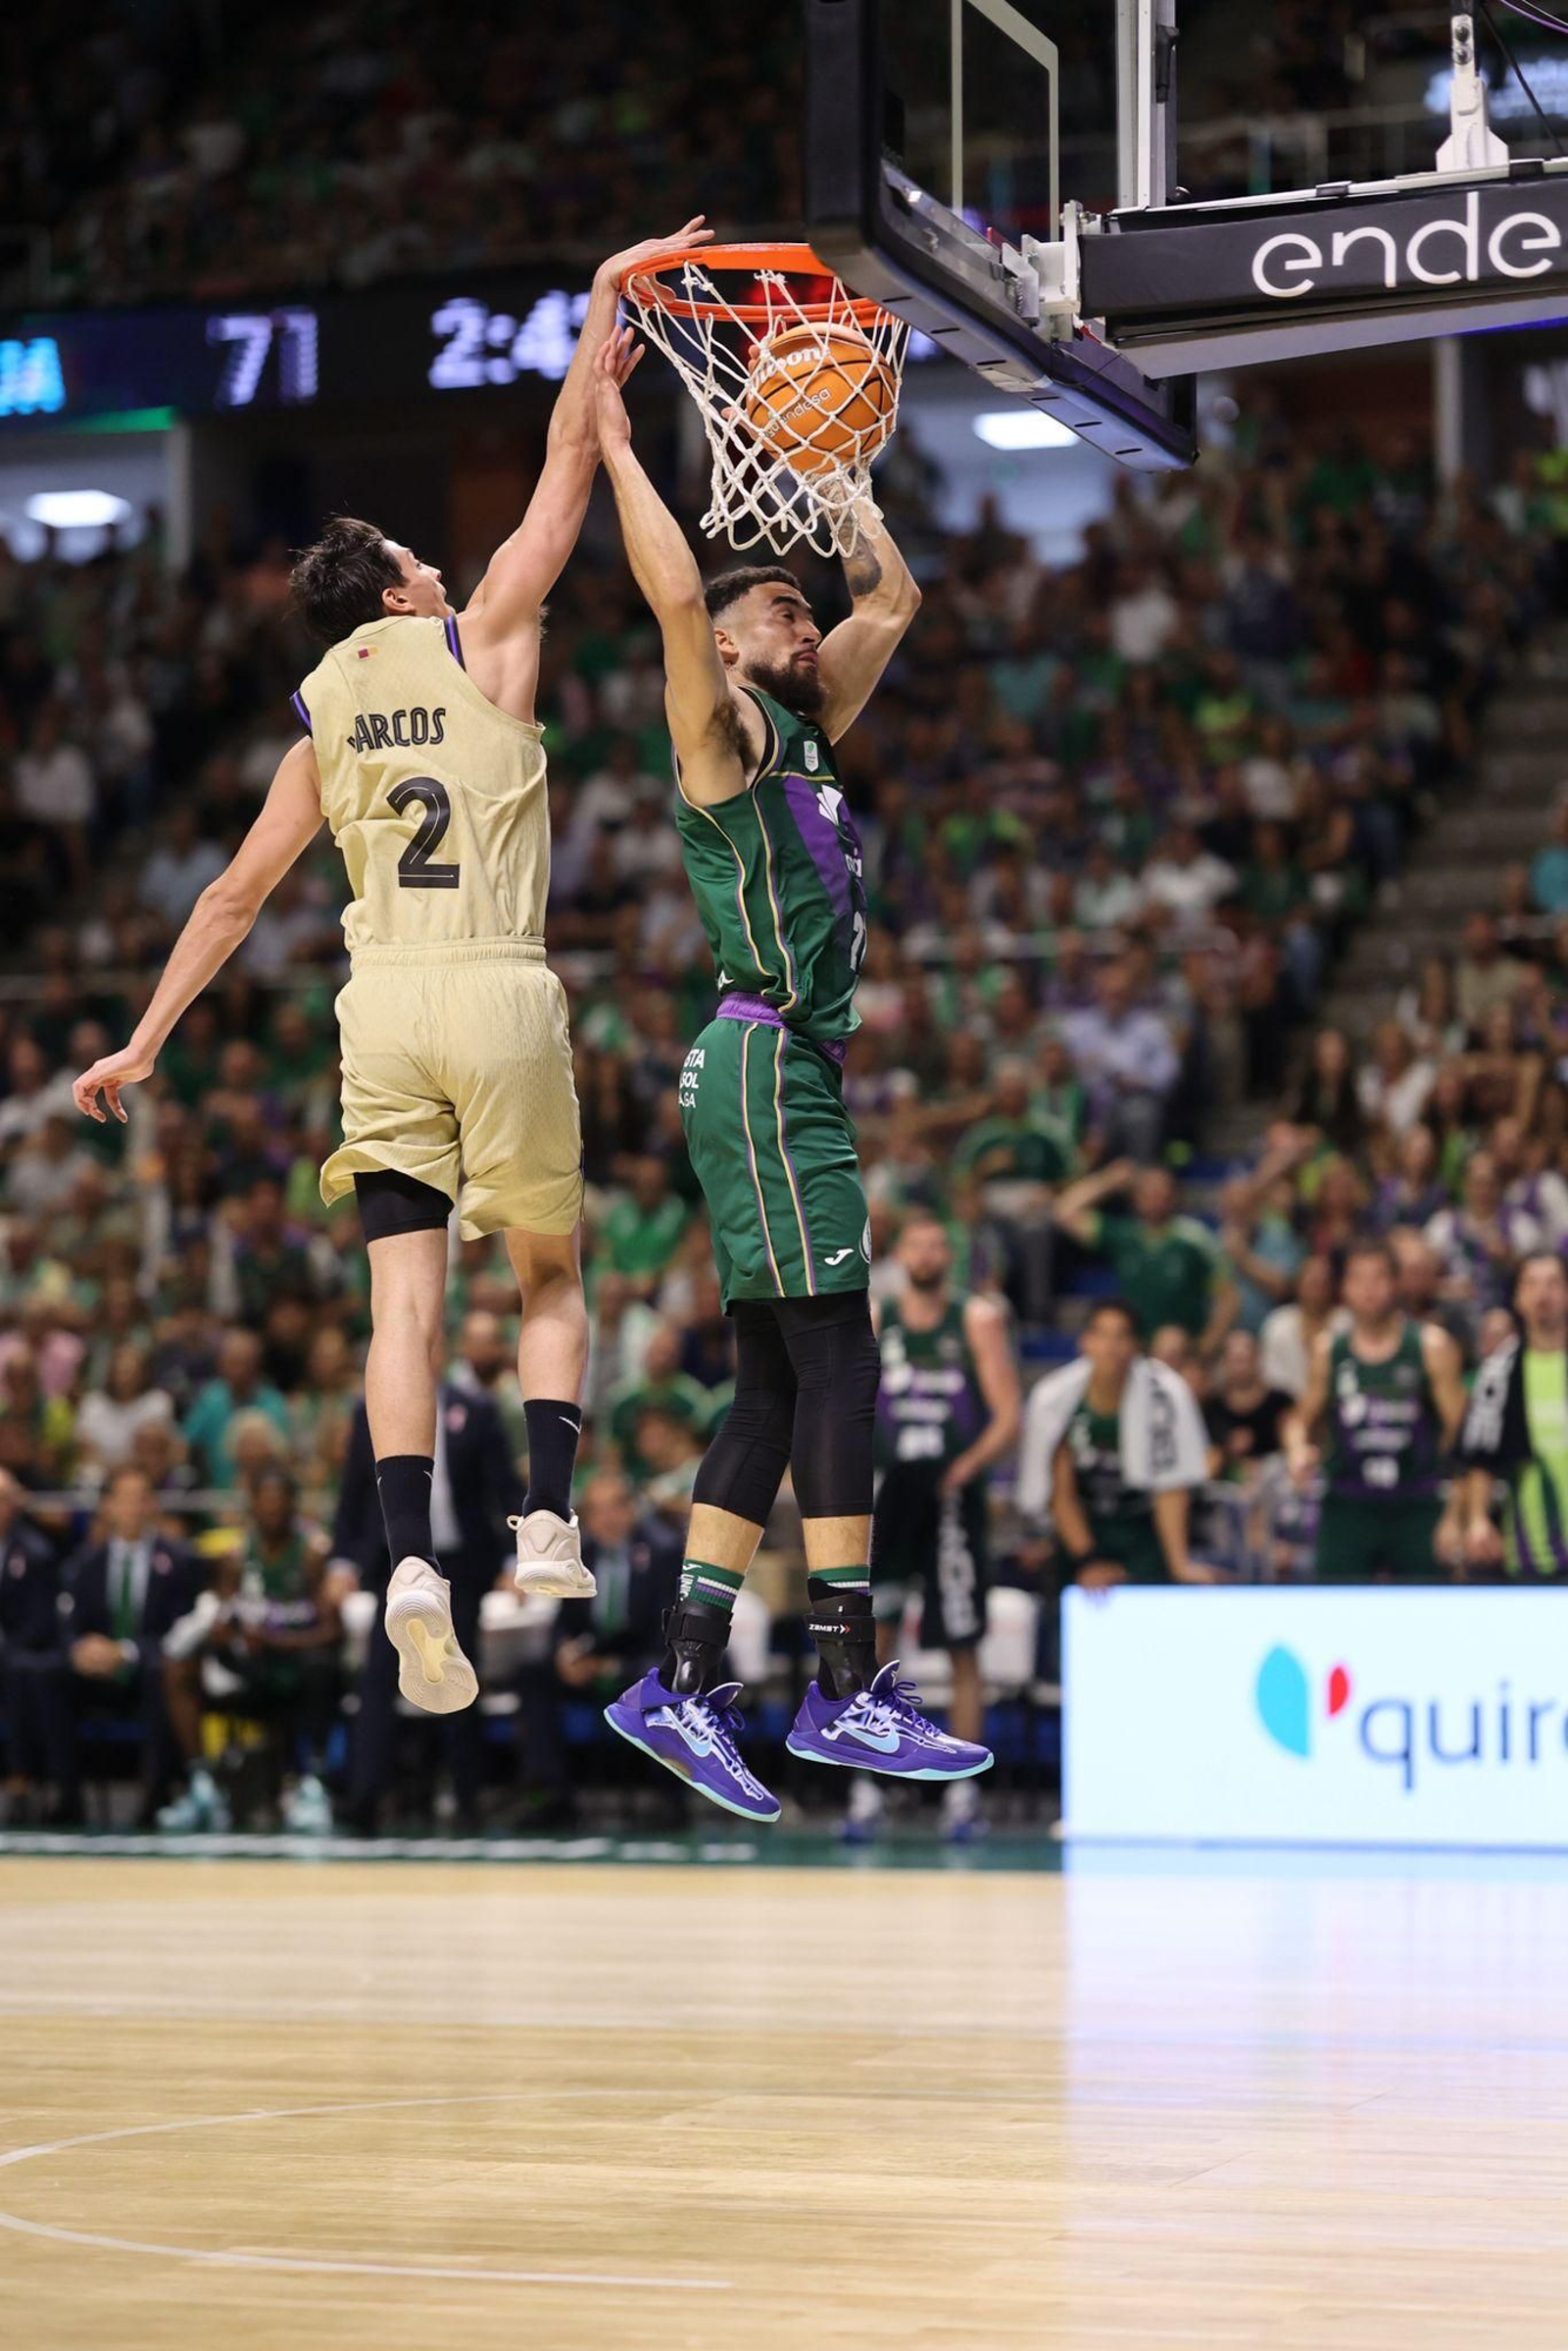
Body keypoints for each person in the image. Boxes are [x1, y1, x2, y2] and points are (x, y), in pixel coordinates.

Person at [71, 225, 707, 1718]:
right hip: (495, 986)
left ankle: (414, 1559)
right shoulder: (480, 636)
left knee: (399, 1309)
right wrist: (606, 307)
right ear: (405, 594)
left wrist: (145, 1040)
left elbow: (233, 894)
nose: (442, 562)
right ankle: (546, 1524)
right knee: (549, 1272)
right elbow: (566, 469)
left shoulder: (319, 724)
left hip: (381, 1012)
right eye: (425, 556)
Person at [591, 326, 991, 1821]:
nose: (800, 616)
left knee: (769, 1380)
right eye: (778, 604)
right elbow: (674, 595)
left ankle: (680, 1678)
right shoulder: (727, 729)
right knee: (843, 1357)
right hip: (765, 1059)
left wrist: (840, 488)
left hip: (777, 1069)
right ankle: (842, 1678)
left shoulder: (813, 722)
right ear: (737, 638)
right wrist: (625, 451)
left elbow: (895, 593)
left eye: (797, 609)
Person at [859, 1209, 1022, 1844]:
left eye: (937, 1241)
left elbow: (1009, 1415)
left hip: (952, 1493)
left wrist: (966, 1468)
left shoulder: (977, 1318)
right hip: (889, 1489)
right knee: (871, 1641)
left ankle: (962, 1788)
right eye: (917, 1242)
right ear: (900, 1253)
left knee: (962, 1639)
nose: (927, 1251)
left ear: (949, 1255)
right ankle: (868, 1781)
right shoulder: (877, 1316)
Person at [330, 1385, 520, 1835]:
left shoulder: (475, 1408)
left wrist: (515, 1559)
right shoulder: (375, 1403)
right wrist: (341, 1560)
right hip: (394, 1563)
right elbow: (354, 1488)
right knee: (377, 1676)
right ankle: (367, 1796)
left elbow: (504, 1484)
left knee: (458, 1677)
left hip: (462, 1564)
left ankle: (466, 1796)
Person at [11, 1465, 198, 1826]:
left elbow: (181, 1632)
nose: (131, 1508)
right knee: (48, 1673)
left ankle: (153, 1800)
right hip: (95, 1672)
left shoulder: (177, 1561)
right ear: (108, 1507)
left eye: (140, 1499)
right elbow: (66, 1624)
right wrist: (80, 1648)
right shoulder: (86, 1562)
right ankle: (67, 1798)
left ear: (152, 1506)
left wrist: (127, 1650)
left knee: (163, 1673)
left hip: (145, 1669)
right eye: (123, 1499)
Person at [159, 1467, 341, 1834]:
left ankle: (310, 1785)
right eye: (265, 1502)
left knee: (321, 1668)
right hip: (251, 1667)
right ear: (253, 1506)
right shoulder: (236, 1557)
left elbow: (332, 1631)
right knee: (177, 1667)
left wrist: (276, 1640)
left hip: (297, 1665)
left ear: (293, 1506)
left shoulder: (311, 1554)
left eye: (279, 1502)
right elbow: (223, 1618)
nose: (272, 1510)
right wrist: (224, 1633)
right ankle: (202, 1785)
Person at [1285, 1242, 1466, 1584]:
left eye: (1379, 1277)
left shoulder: (1431, 1346)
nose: (1368, 1289)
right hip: (1348, 1502)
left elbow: (1463, 1434)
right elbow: (1299, 1418)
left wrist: (1457, 1514)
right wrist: (1297, 1449)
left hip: (1418, 1502)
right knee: (1334, 1612)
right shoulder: (1329, 1350)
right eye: (1358, 1279)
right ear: (1343, 1288)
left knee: (1430, 1615)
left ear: (1397, 1283)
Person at [514, 1470, 682, 1824]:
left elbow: (667, 1634)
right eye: (597, 1510)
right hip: (591, 1658)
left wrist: (612, 1667)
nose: (607, 1519)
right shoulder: (580, 1553)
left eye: (615, 1507)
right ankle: (552, 1795)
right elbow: (565, 1621)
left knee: (664, 1680)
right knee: (532, 1674)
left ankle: (667, 1801)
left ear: (631, 1509)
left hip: (642, 1659)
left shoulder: (664, 1549)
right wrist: (564, 1655)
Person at [1015, 1300, 1218, 1587]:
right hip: (1083, 1526)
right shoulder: (1055, 1399)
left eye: (1121, 1336)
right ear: (1084, 1342)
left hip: (1143, 1528)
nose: (1110, 1346)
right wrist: (1089, 1560)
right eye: (1101, 1335)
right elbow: (1061, 1495)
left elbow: (1171, 1483)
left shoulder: (1166, 1395)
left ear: (1137, 1345)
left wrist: (1179, 1563)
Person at [1054, 1160, 1237, 1352]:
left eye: (1161, 1191)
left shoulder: (1194, 1237)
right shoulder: (1124, 1235)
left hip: (1182, 1351)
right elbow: (1065, 1211)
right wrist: (1108, 1180)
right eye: (1147, 1191)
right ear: (1136, 1197)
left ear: (1174, 1195)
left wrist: (1205, 1345)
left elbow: (1228, 1296)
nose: (1155, 1198)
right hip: (1135, 1351)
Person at [1461, 1252, 1568, 1579]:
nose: (1543, 1294)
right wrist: (1477, 1518)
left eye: (1553, 1283)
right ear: (1518, 1298)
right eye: (1532, 1284)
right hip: (1531, 1553)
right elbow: (1481, 1456)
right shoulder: (1499, 1372)